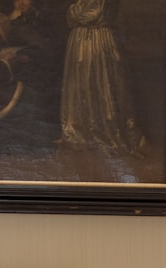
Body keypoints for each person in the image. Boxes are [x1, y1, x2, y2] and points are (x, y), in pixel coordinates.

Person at [58, 0, 147, 156]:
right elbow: (73, 16)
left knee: (102, 85)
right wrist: (73, 14)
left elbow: (86, 14)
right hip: (80, 41)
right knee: (81, 88)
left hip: (97, 41)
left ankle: (102, 134)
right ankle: (83, 133)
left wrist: (73, 12)